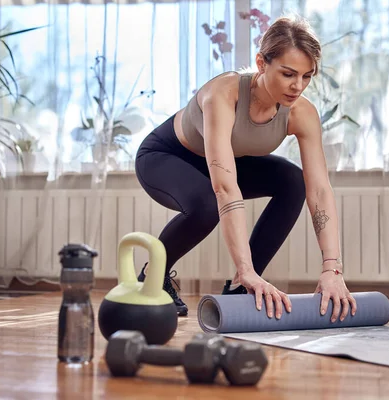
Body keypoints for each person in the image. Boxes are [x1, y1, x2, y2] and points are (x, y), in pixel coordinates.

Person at [134, 15, 357, 321]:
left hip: (228, 162)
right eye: (288, 74)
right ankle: (153, 276)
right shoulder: (224, 94)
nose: (298, 86)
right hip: (166, 157)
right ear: (261, 63)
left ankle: (241, 289)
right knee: (206, 204)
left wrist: (332, 267)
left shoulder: (301, 113)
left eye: (307, 76)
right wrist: (245, 267)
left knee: (292, 180)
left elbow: (319, 189)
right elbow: (225, 188)